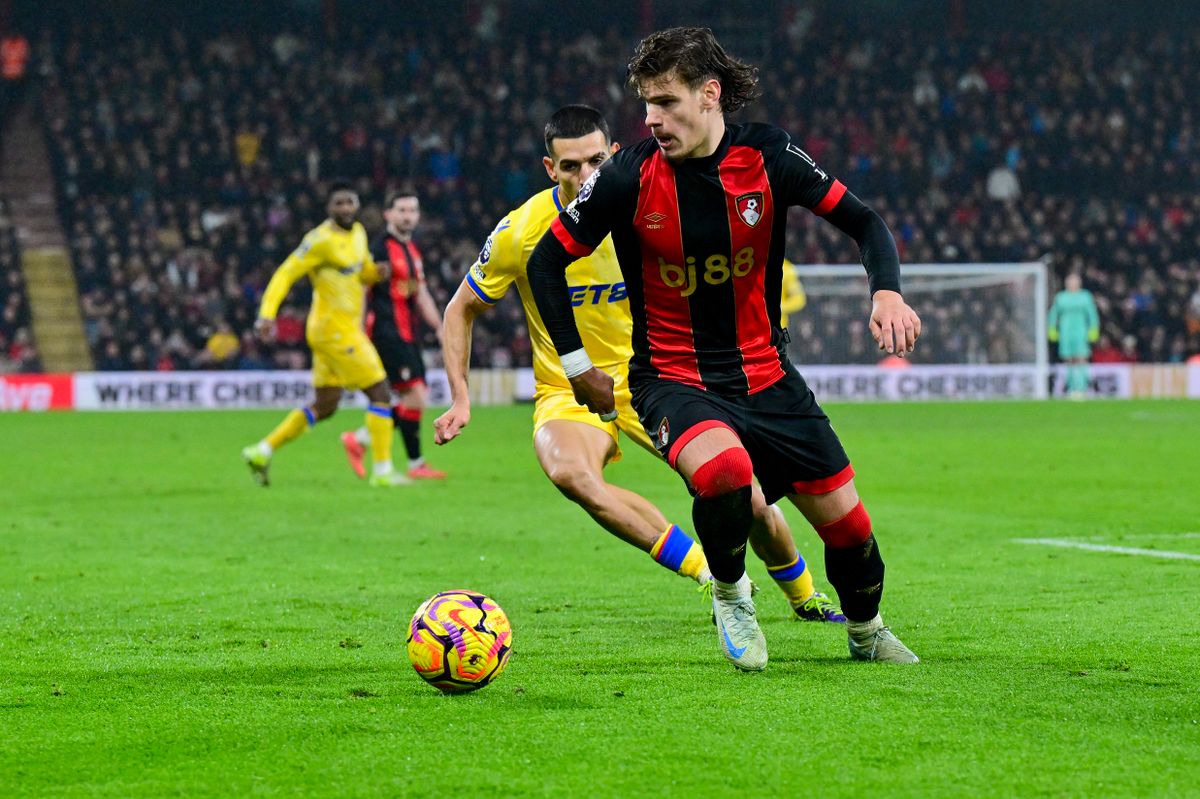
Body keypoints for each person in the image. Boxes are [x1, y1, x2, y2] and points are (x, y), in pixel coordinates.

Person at [527, 29, 921, 670]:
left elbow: (865, 221)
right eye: (645, 105)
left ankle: (866, 631)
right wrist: (578, 368)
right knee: (725, 474)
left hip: (769, 378)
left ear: (710, 95)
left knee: (851, 531)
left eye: (666, 102)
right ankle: (733, 595)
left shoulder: (768, 156)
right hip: (672, 379)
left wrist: (887, 294)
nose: (651, 120)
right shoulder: (627, 176)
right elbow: (547, 263)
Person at [436, 104, 844, 623]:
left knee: (748, 498)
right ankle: (711, 574)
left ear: (613, 154)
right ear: (549, 169)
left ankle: (804, 596)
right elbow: (459, 309)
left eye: (593, 162)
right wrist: (461, 396)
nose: (584, 176)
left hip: (666, 375)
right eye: (569, 167)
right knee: (569, 473)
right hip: (571, 388)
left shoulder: (654, 201)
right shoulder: (523, 230)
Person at [241, 180, 409, 487]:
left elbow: (360, 271)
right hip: (336, 331)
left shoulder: (358, 233)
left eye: (350, 202)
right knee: (381, 392)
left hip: (333, 331)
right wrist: (267, 314)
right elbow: (286, 273)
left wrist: (375, 273)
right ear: (329, 208)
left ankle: (262, 451)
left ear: (357, 205)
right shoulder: (319, 240)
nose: (345, 208)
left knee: (326, 404)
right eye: (338, 203)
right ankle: (383, 472)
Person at [341, 189, 447, 480]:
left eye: (412, 210)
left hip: (407, 332)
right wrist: (358, 330)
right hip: (387, 331)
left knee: (415, 398)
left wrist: (439, 327)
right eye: (401, 210)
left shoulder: (412, 250)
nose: (407, 216)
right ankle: (373, 445)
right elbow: (363, 289)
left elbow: (420, 292)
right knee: (415, 396)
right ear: (388, 214)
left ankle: (404, 459)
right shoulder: (379, 249)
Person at [1047, 273, 1100, 399]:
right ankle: (1072, 388)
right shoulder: (1061, 297)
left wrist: (1094, 329)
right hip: (1065, 332)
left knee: (1081, 358)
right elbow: (1054, 314)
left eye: (1074, 281)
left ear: (1079, 283)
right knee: (1069, 360)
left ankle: (1082, 387)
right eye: (1069, 281)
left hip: (1080, 331)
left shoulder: (1085, 296)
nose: (1072, 284)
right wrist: (1052, 328)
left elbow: (1092, 313)